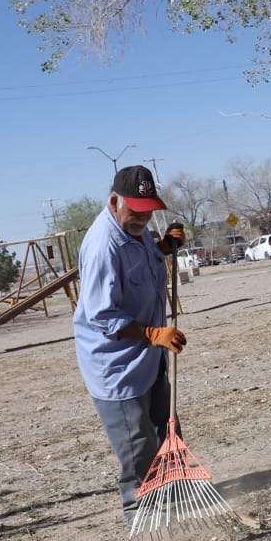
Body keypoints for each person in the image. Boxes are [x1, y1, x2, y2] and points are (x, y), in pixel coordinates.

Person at [73, 165, 189, 521]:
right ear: (113, 201)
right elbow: (102, 315)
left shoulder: (135, 232)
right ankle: (139, 508)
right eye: (135, 211)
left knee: (164, 425)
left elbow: (145, 258)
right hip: (117, 363)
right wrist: (154, 333)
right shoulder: (102, 247)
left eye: (148, 211)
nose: (142, 218)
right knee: (136, 438)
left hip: (148, 356)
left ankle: (173, 491)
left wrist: (165, 247)